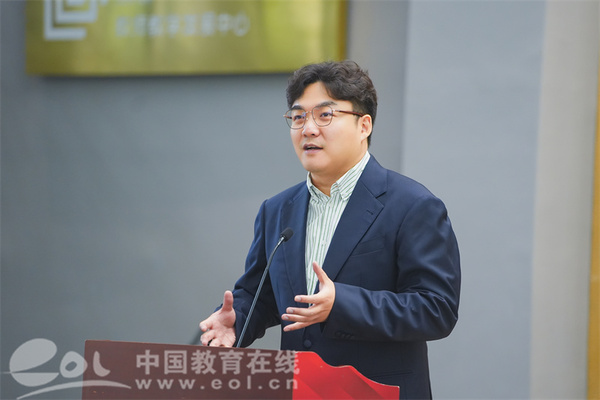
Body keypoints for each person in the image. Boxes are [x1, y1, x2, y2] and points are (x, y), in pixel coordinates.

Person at [199, 60, 461, 399]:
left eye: (325, 115)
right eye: (298, 117)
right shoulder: (277, 210)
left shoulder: (413, 205)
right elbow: (261, 295)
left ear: (364, 125)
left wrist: (342, 303)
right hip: (299, 390)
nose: (308, 129)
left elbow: (436, 309)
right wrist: (236, 321)